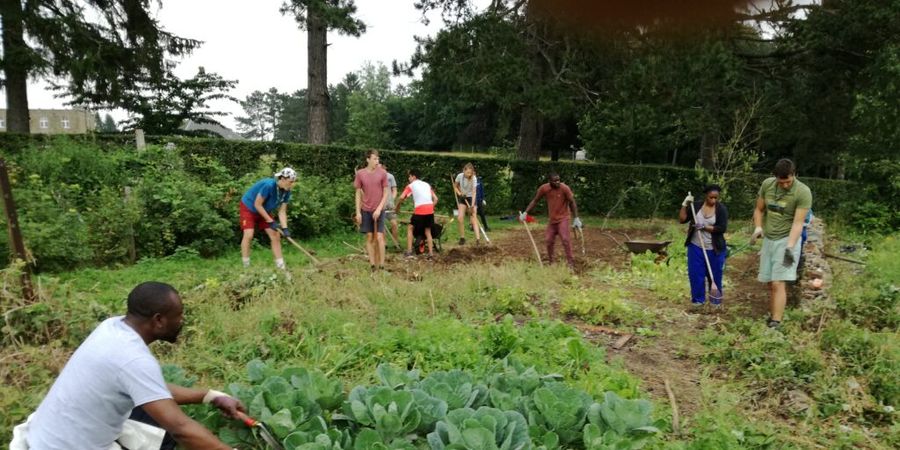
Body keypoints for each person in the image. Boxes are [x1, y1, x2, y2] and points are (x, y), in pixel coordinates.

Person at [14, 282, 243, 450]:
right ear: (159, 320)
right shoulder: (132, 358)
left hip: (50, 435)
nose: (182, 320)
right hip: (65, 446)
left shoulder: (112, 327)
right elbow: (180, 427)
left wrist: (210, 396)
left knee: (154, 419)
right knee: (168, 427)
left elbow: (150, 388)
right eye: (179, 315)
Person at [751, 158, 812, 328]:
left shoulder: (803, 192)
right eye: (781, 182)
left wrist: (790, 247)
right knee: (770, 282)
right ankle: (773, 316)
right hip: (769, 239)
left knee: (779, 282)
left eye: (788, 181)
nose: (785, 185)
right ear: (775, 177)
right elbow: (759, 209)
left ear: (794, 175)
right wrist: (758, 227)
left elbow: (798, 223)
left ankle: (776, 323)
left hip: (788, 239)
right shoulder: (767, 185)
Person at [679, 185, 728, 309]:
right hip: (696, 246)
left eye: (716, 198)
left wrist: (704, 227)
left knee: (715, 275)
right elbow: (682, 219)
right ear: (706, 196)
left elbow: (722, 228)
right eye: (711, 197)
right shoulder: (696, 206)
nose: (713, 200)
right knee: (696, 274)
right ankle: (698, 301)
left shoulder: (721, 209)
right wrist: (685, 204)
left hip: (715, 249)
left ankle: (715, 302)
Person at [520, 172, 583, 268]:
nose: (558, 182)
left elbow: (572, 202)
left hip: (563, 218)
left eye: (559, 180)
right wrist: (525, 212)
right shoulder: (544, 188)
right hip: (552, 220)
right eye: (555, 181)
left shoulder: (564, 188)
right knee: (549, 240)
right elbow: (535, 200)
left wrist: (576, 218)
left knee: (565, 240)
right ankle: (551, 262)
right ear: (549, 181)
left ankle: (570, 263)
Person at [240, 167, 297, 270]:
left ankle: (281, 267)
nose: (292, 184)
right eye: (290, 182)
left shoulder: (286, 191)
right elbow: (257, 204)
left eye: (293, 182)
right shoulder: (269, 185)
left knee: (275, 235)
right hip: (249, 207)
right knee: (249, 234)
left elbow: (282, 211)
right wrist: (270, 221)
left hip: (264, 209)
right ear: (283, 179)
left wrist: (285, 228)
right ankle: (246, 267)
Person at [354, 150, 390, 271]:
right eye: (374, 159)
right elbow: (358, 193)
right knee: (369, 237)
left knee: (379, 237)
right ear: (368, 159)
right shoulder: (360, 174)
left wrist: (379, 209)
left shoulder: (383, 173)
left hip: (379, 209)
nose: (377, 161)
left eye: (378, 159)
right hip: (366, 209)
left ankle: (382, 265)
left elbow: (386, 193)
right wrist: (358, 212)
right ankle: (373, 265)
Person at [395, 169, 438, 258]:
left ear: (413, 177)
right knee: (427, 231)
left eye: (409, 176)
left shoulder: (411, 185)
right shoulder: (426, 184)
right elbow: (436, 199)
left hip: (420, 209)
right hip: (430, 210)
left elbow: (401, 197)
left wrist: (397, 207)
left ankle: (409, 251)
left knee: (410, 227)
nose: (408, 178)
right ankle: (430, 254)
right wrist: (430, 207)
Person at [453, 163, 481, 245]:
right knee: (460, 218)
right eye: (468, 172)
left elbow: (474, 192)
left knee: (473, 218)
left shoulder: (474, 178)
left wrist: (472, 206)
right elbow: (455, 186)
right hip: (463, 197)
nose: (469, 174)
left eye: (470, 173)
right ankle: (462, 238)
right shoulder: (459, 176)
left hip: (471, 198)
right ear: (464, 170)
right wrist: (460, 194)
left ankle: (478, 239)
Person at [381, 163, 401, 249]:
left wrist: (392, 199)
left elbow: (395, 190)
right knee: (382, 225)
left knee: (394, 223)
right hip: (380, 205)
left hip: (390, 205)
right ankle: (384, 244)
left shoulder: (390, 176)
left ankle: (396, 243)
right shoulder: (375, 177)